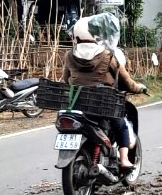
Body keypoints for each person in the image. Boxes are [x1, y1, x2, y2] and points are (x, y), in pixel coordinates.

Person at [62, 17, 147, 170]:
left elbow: (66, 79)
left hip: (78, 104)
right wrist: (140, 88)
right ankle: (124, 159)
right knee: (121, 126)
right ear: (96, 35)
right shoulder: (108, 56)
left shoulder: (69, 55)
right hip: (103, 105)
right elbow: (127, 82)